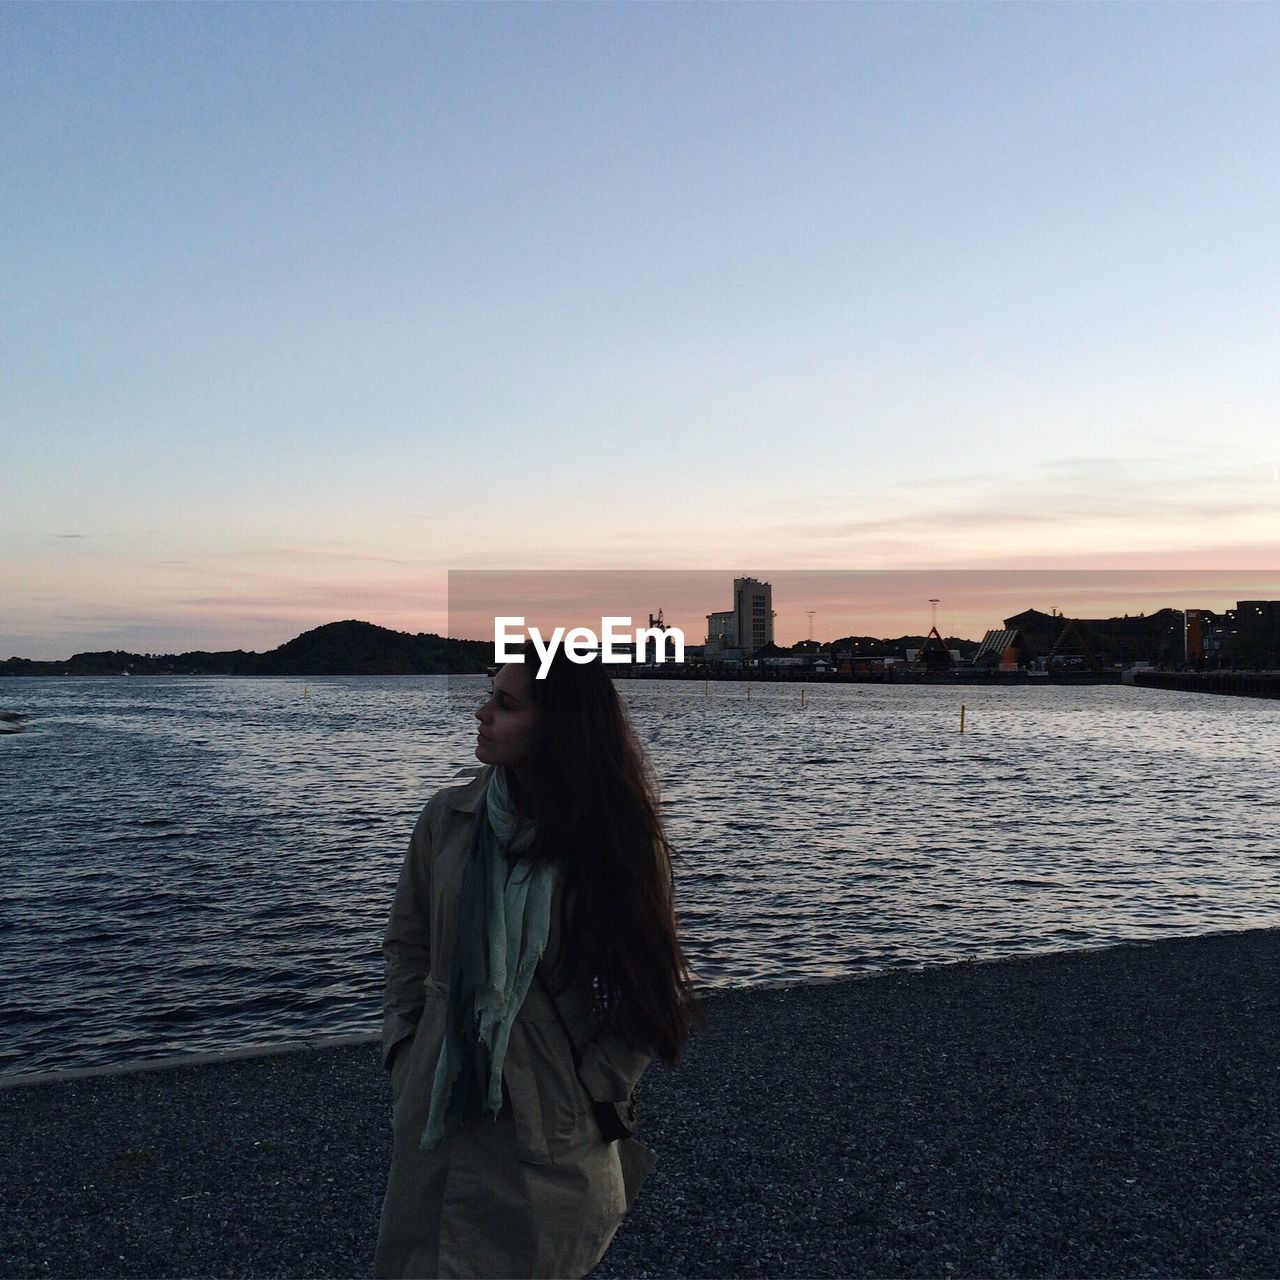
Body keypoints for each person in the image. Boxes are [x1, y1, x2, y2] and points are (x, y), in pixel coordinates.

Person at [374, 641, 702, 1279]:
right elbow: (405, 946)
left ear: (559, 725)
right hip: (437, 1095)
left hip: (544, 1115)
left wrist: (588, 1091)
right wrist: (405, 1049)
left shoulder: (617, 842)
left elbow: (652, 990)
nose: (481, 713)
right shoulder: (448, 818)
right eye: (487, 696)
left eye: (504, 703)